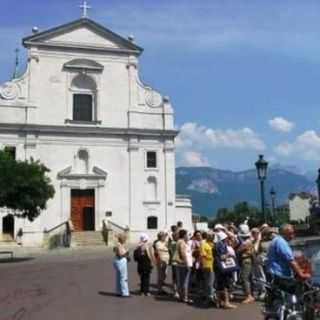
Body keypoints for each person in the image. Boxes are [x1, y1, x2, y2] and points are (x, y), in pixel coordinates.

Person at [215, 231, 237, 309]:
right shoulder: (221, 244)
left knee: (219, 285)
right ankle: (226, 303)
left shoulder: (217, 244)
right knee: (225, 285)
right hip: (223, 267)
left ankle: (218, 302)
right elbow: (222, 257)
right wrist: (229, 254)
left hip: (218, 267)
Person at [173, 229, 193, 303]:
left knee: (180, 281)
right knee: (185, 281)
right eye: (187, 234)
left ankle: (181, 296)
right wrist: (186, 263)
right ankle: (185, 297)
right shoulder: (182, 242)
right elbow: (183, 253)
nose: (188, 236)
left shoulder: (179, 241)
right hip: (183, 264)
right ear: (184, 235)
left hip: (179, 264)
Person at [237, 224, 255, 304]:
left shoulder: (246, 243)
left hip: (246, 261)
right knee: (248, 278)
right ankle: (250, 294)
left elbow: (238, 251)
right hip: (248, 261)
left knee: (245, 278)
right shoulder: (249, 241)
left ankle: (249, 296)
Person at [200, 232, 215, 304]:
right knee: (209, 282)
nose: (212, 237)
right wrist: (212, 257)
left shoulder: (213, 244)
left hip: (214, 266)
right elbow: (203, 255)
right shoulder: (204, 244)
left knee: (211, 282)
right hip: (207, 265)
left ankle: (210, 296)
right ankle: (209, 298)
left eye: (213, 236)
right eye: (210, 236)